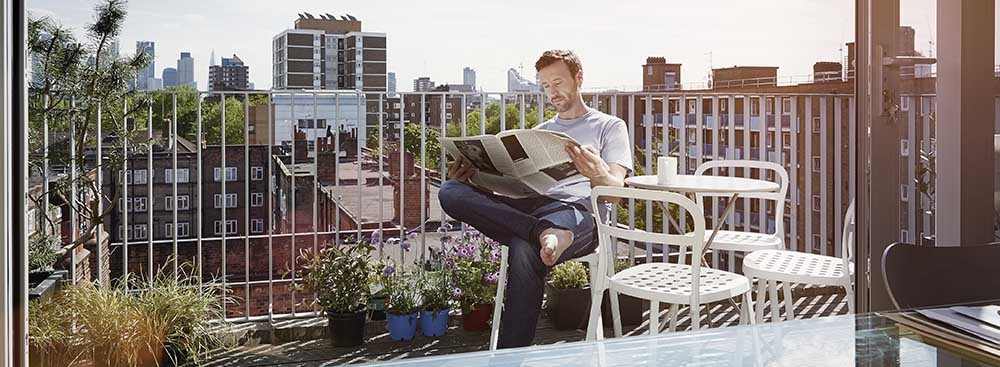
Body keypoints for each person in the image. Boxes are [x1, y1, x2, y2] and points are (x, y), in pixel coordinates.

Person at [437, 50, 633, 348]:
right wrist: (475, 177)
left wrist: (597, 174)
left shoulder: (609, 126)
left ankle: (510, 357)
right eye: (545, 86)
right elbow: (519, 189)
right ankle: (542, 232)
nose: (552, 92)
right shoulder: (541, 132)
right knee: (450, 191)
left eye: (558, 82)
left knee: (523, 247)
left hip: (580, 214)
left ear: (578, 78)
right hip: (536, 209)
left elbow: (616, 192)